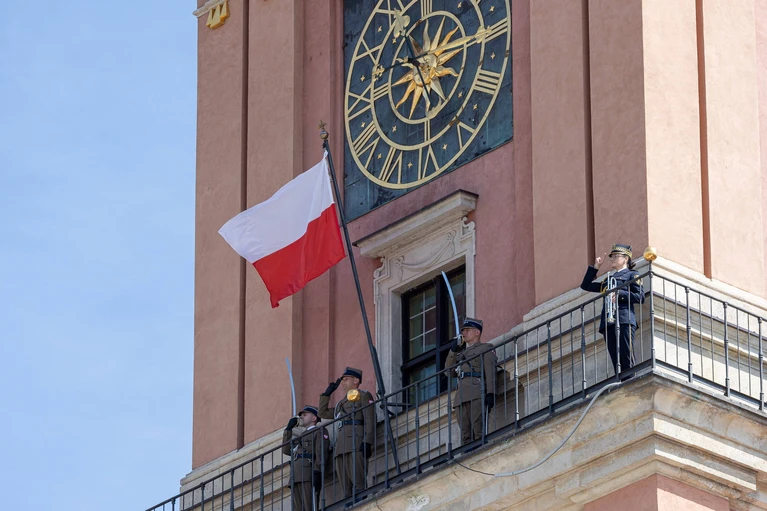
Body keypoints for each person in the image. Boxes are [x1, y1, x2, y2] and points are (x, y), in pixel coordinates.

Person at [580, 243, 645, 378]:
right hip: (608, 322)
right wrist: (596, 267)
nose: (612, 259)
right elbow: (586, 285)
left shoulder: (632, 275)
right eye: (612, 256)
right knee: (615, 357)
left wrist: (620, 294)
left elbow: (640, 297)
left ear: (625, 258)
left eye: (616, 256)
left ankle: (631, 380)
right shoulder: (608, 279)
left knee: (626, 354)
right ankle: (621, 381)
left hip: (624, 318)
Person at [318, 367, 375, 502]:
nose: (343, 382)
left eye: (346, 379)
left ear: (356, 381)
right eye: (342, 380)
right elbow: (322, 413)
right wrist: (326, 394)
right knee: (345, 487)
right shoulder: (340, 404)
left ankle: (360, 502)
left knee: (358, 481)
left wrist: (368, 441)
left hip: (356, 441)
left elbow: (370, 419)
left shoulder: (363, 396)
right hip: (341, 447)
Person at [445, 318, 497, 445]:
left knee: (478, 430)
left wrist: (491, 393)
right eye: (463, 330)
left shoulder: (485, 348)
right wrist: (453, 351)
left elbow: (490, 371)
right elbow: (449, 372)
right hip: (461, 397)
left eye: (467, 330)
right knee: (465, 435)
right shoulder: (460, 355)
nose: (464, 333)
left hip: (476, 392)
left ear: (477, 332)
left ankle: (481, 451)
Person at [282, 405, 330, 511]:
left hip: (308, 473)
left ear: (314, 418)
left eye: (305, 414)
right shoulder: (300, 436)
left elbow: (321, 452)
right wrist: (288, 430)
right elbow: (286, 450)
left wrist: (317, 471)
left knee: (309, 505)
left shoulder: (319, 431)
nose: (301, 417)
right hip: (295, 475)